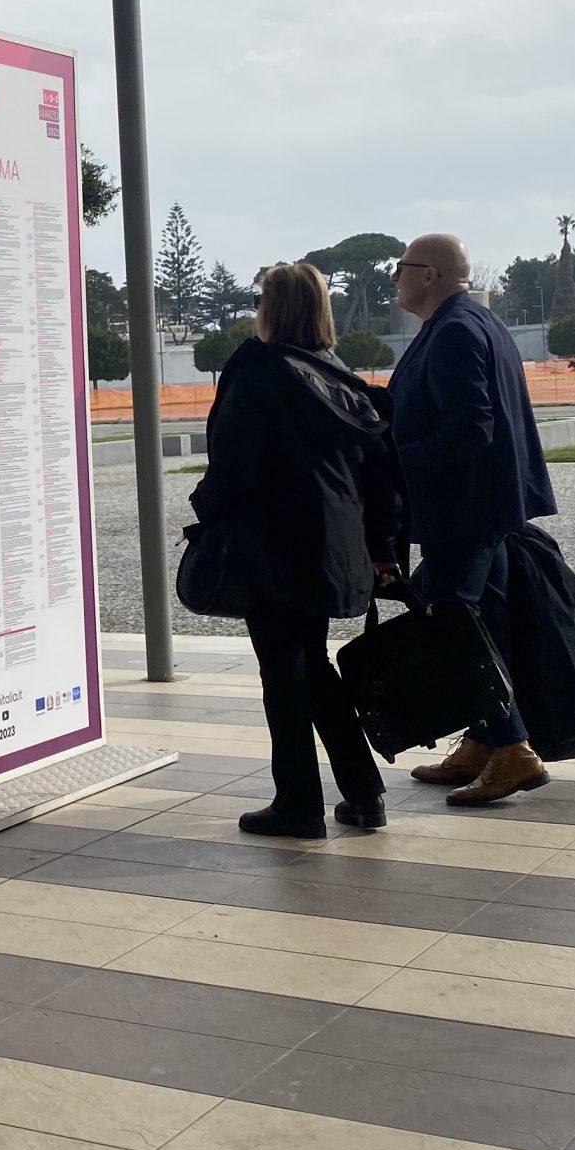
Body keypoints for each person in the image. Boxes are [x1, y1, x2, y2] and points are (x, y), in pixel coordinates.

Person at [190, 261, 396, 838]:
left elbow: (233, 461)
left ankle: (299, 803)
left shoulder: (258, 370)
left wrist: (205, 508)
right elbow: (379, 474)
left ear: (269, 309)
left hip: (273, 545)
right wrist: (379, 546)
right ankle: (364, 794)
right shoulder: (341, 378)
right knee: (314, 666)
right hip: (333, 543)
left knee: (283, 675)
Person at [388, 233, 556, 803]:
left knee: (456, 628)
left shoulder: (455, 330)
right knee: (487, 622)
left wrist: (393, 459)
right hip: (483, 508)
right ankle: (485, 740)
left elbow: (469, 429)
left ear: (429, 274)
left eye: (400, 268)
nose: (395, 279)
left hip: (462, 510)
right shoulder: (477, 322)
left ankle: (513, 749)